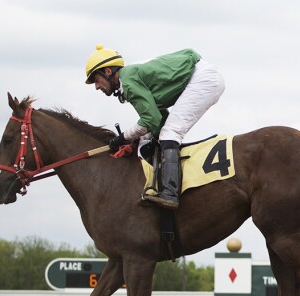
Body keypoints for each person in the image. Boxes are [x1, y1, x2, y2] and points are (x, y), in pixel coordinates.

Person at [84, 44, 225, 210]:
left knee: (170, 133)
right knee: (162, 133)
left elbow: (151, 119)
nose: (97, 86)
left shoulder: (128, 82)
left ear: (108, 71)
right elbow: (158, 120)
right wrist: (136, 140)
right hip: (202, 76)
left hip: (203, 79)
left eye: (96, 79)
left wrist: (122, 138)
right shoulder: (130, 78)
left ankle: (170, 193)